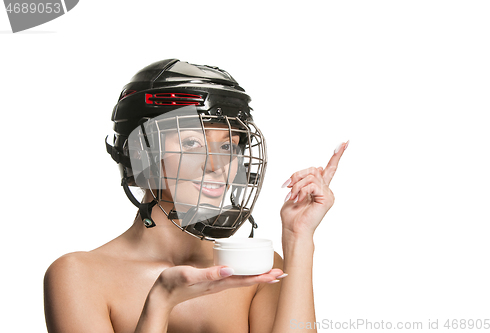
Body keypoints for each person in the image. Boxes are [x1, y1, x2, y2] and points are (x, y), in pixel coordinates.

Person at [43, 59, 348, 333]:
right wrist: (160, 303)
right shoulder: (79, 276)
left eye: (229, 146)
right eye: (192, 144)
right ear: (142, 153)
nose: (217, 165)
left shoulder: (256, 267)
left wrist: (298, 239)